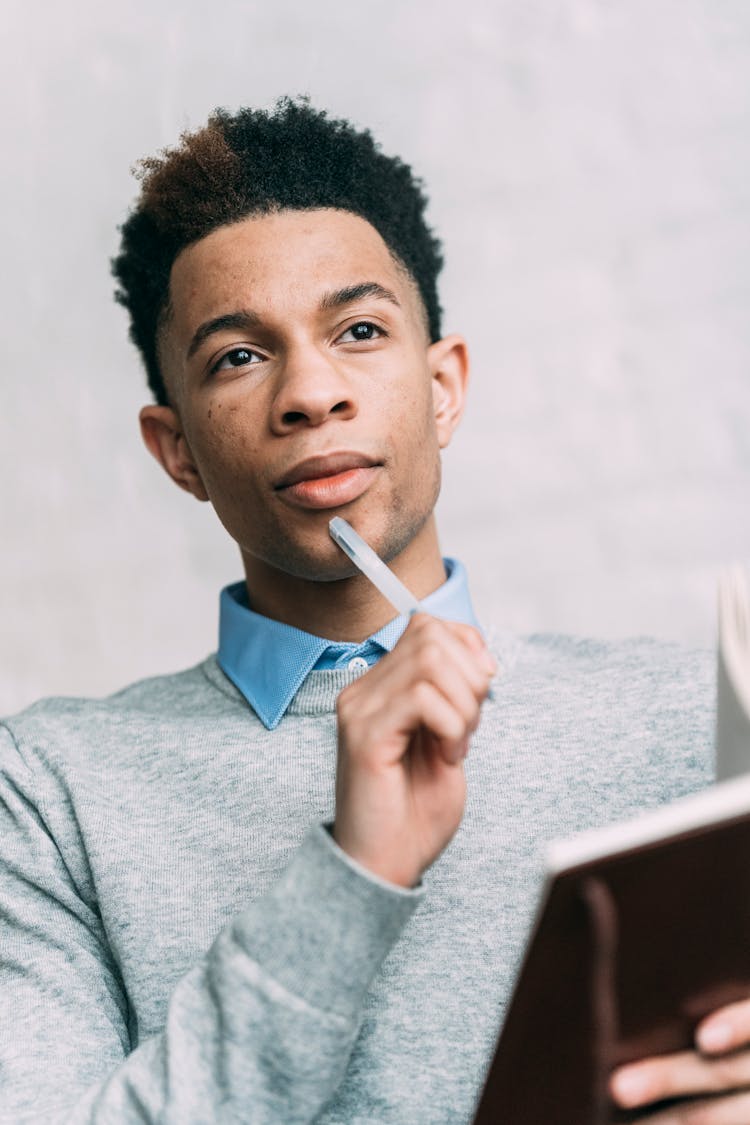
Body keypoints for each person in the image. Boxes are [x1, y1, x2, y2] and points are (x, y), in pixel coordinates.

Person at [0, 97, 747, 1124]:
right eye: (237, 356)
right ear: (177, 452)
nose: (310, 392)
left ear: (443, 389)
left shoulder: (690, 718)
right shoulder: (47, 796)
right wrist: (352, 873)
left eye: (357, 331)